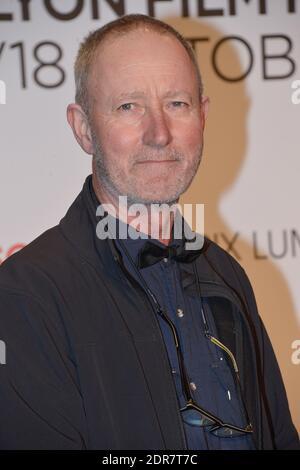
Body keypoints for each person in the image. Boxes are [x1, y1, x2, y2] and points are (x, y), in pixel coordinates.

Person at [0, 14, 298, 450]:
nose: (159, 133)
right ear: (83, 128)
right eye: (128, 107)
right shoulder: (27, 296)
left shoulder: (228, 276)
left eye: (177, 103)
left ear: (203, 115)